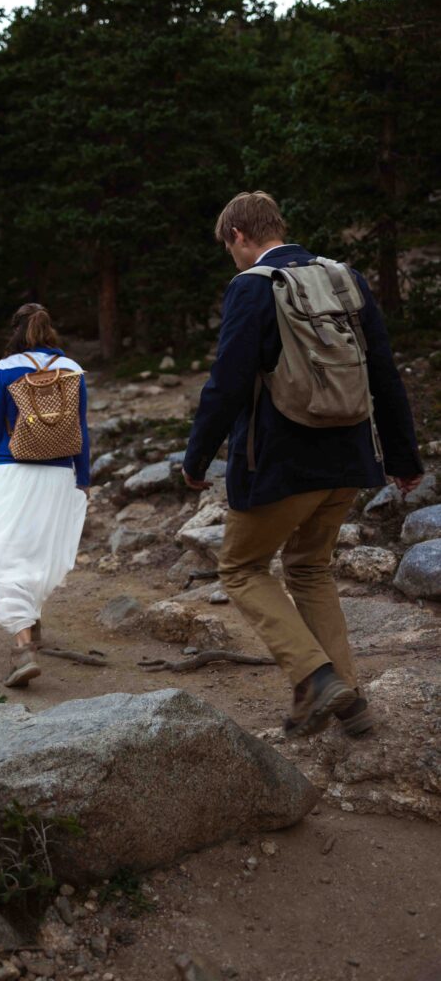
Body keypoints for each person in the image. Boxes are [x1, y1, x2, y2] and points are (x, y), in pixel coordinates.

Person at [182, 191, 424, 738]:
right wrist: (403, 458)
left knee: (242, 569)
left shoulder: (253, 287)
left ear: (240, 237)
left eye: (230, 247)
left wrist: (197, 460)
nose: (233, 257)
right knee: (310, 568)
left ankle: (315, 679)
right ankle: (349, 698)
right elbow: (383, 372)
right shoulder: (345, 280)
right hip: (348, 460)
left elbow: (226, 385)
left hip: (281, 465)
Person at [0, 303, 90, 688]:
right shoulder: (72, 369)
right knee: (40, 548)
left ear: (16, 331)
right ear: (49, 330)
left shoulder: (6, 367)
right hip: (60, 472)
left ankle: (23, 647)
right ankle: (32, 618)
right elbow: (81, 428)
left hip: (14, 468)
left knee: (6, 550)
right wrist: (84, 477)